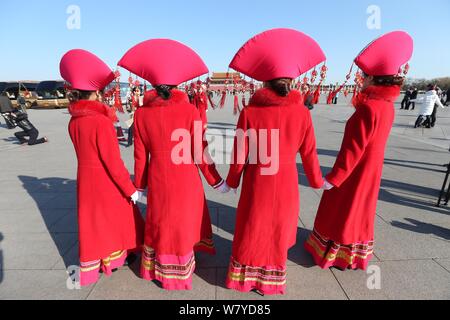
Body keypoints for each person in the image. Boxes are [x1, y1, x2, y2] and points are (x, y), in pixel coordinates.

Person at [118, 39, 227, 290]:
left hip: (157, 176)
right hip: (185, 175)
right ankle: (183, 261)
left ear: (154, 85)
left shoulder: (143, 114)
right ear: (177, 84)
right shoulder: (189, 111)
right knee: (184, 219)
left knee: (162, 221)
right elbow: (200, 151)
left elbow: (139, 155)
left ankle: (163, 266)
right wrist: (216, 181)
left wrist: (139, 186)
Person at [224, 28, 326, 295]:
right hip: (286, 182)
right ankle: (272, 279)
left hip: (258, 181)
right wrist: (317, 181)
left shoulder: (250, 112)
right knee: (278, 229)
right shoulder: (302, 114)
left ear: (264, 82)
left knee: (253, 226)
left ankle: (245, 277)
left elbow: (239, 154)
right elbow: (309, 153)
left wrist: (232, 181)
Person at [305, 31, 414, 271]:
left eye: (364, 76)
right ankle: (352, 253)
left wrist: (334, 178)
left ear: (372, 78)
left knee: (342, 210)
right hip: (371, 169)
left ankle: (333, 252)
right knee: (360, 210)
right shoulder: (386, 106)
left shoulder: (368, 108)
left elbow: (354, 148)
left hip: (354, 170)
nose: (361, 80)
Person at [60, 49, 144, 287]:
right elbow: (112, 161)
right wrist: (130, 189)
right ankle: (118, 257)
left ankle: (103, 260)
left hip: (86, 178)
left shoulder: (74, 121)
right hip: (106, 180)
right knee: (120, 217)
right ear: (96, 93)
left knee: (95, 222)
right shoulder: (100, 122)